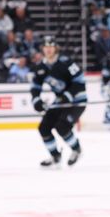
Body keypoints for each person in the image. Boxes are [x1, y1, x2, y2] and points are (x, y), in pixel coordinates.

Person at [30, 36, 87, 167]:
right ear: (42, 49)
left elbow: (80, 82)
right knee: (43, 127)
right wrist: (36, 100)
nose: (48, 50)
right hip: (60, 101)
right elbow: (35, 87)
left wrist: (68, 95)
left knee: (62, 126)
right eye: (46, 47)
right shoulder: (41, 67)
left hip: (77, 100)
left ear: (56, 48)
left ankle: (77, 150)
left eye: (51, 47)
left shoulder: (66, 63)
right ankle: (55, 156)